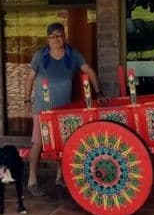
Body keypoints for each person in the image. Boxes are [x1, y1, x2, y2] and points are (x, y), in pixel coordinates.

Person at [24, 21, 102, 196]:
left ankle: (60, 178)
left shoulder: (72, 55)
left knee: (63, 143)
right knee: (38, 142)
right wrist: (26, 101)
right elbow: (30, 78)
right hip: (42, 109)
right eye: (52, 36)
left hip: (63, 110)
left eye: (59, 35)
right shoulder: (40, 56)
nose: (56, 39)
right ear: (48, 39)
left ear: (64, 36)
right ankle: (32, 181)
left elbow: (89, 70)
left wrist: (99, 92)